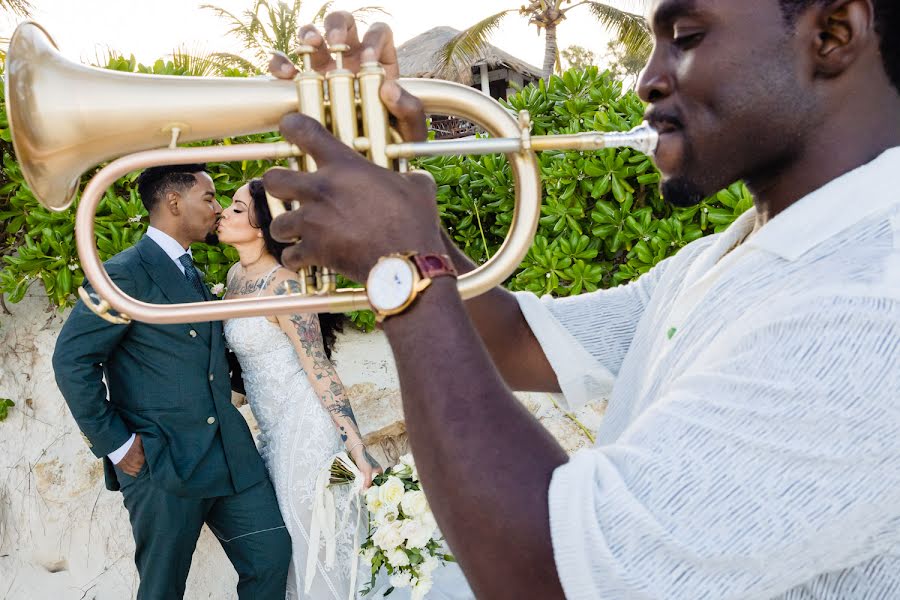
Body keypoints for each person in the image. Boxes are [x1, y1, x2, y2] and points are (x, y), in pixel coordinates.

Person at [262, 2, 900, 599]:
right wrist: (389, 184)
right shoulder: (727, 254)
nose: (646, 81)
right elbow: (515, 341)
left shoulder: (872, 301)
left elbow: (551, 571)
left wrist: (403, 264)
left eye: (687, 37)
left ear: (833, 33)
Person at [52, 164, 292, 600]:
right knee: (162, 590)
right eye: (210, 197)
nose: (218, 209)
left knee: (272, 557)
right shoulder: (122, 273)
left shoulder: (191, 269)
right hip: (161, 463)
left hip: (230, 457)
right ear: (174, 202)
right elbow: (72, 359)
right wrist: (117, 444)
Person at [216, 178, 379, 599]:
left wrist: (356, 446)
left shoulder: (285, 285)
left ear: (261, 225)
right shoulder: (234, 276)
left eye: (236, 209)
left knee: (315, 540)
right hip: (269, 429)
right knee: (289, 546)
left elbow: (317, 365)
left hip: (305, 425)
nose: (223, 213)